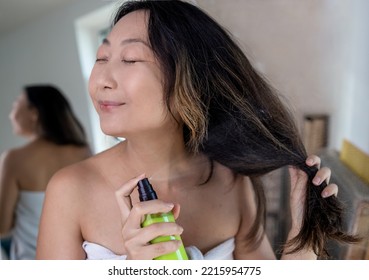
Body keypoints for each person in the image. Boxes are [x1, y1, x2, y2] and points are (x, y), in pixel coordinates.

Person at [36, 0, 358, 260]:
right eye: (101, 57)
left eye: (130, 59)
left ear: (191, 80)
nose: (102, 79)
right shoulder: (70, 190)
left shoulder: (232, 183)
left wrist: (302, 236)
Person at [0, 85, 92, 260]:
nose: (10, 115)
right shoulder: (83, 151)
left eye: (15, 105)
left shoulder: (13, 159)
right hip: (76, 258)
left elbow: (2, 227)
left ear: (34, 113)